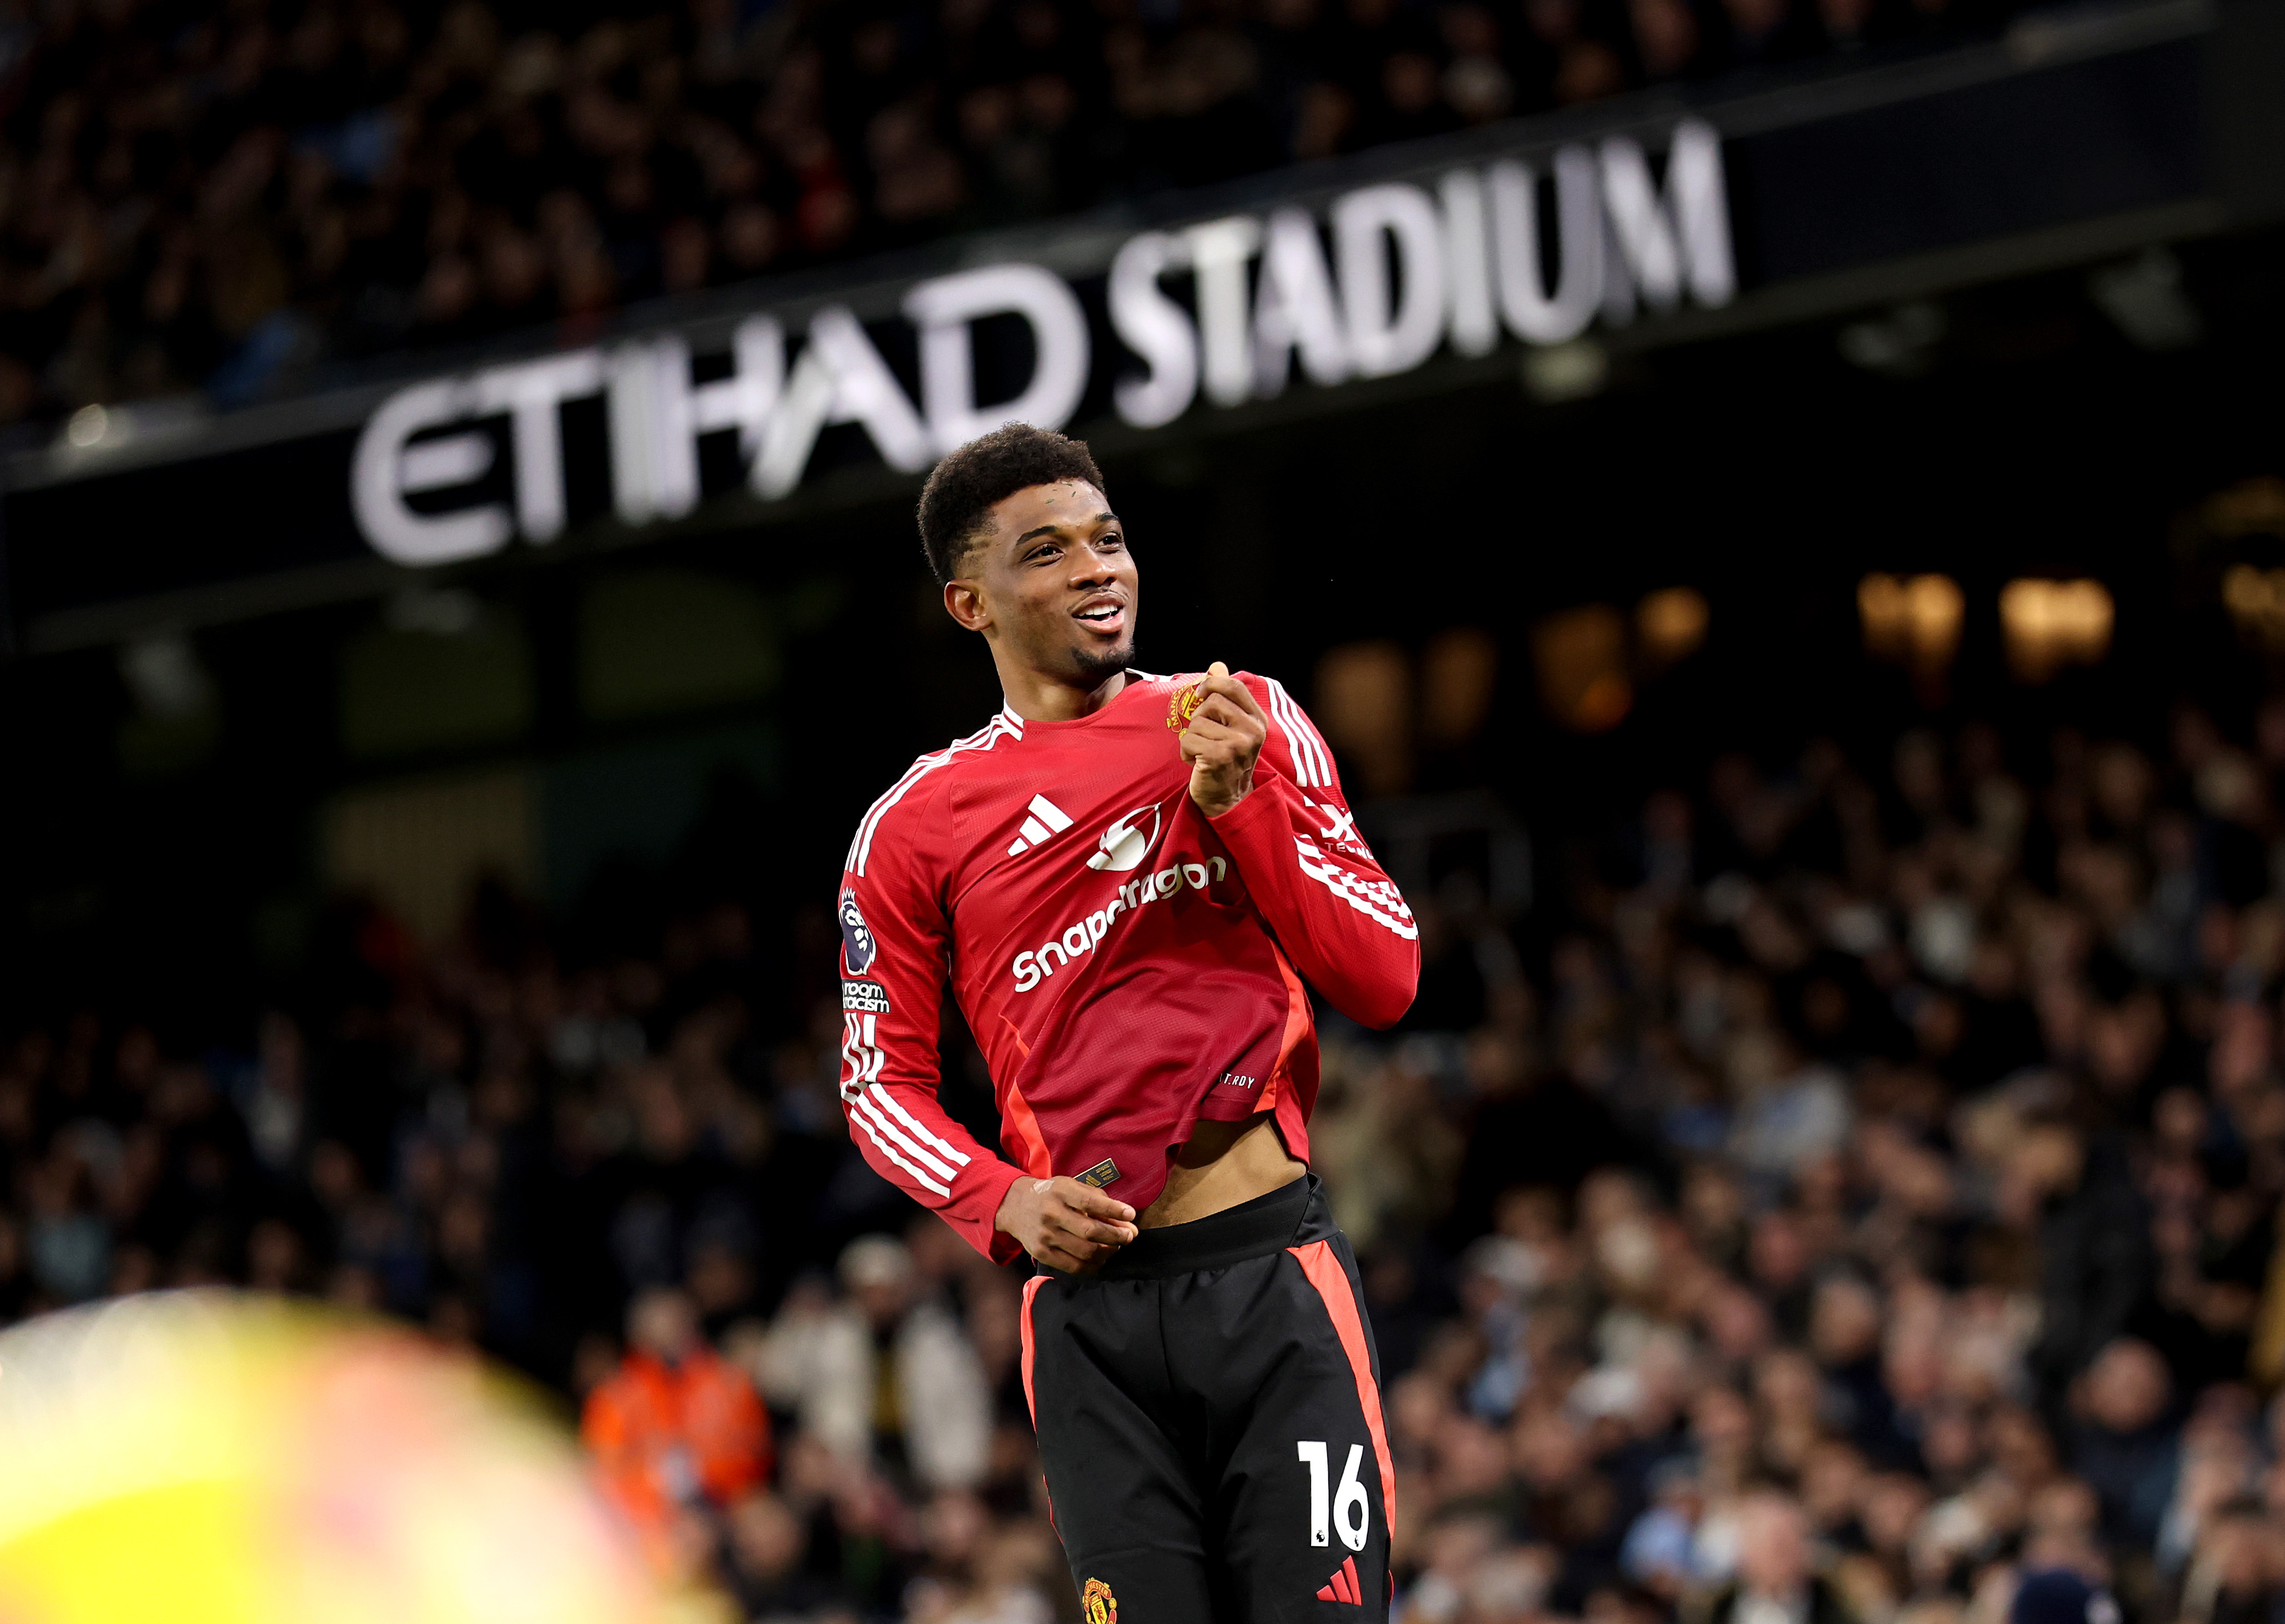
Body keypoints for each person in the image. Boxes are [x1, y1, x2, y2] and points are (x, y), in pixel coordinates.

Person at [832, 423, 1420, 1620]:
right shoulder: (915, 825)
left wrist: (1241, 804)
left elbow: (1385, 976)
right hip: (1092, 1330)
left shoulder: (1238, 718)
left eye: (1107, 540)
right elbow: (874, 1085)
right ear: (969, 603)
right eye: (1045, 553)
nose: (1096, 569)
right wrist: (1000, 1201)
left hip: (1271, 1281)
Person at [582, 1285, 774, 1542]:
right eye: (661, 1331)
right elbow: (604, 1475)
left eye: (680, 1326)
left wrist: (714, 1483)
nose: (674, 1338)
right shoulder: (615, 1398)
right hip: (655, 1520)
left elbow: (756, 1450)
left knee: (767, 1528)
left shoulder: (728, 1380)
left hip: (727, 1505)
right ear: (639, 1337)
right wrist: (660, 1503)